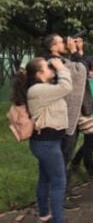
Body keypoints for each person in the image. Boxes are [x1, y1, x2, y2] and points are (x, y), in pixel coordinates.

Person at [12, 56, 72, 223]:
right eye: (48, 67)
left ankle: (44, 214)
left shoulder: (43, 87)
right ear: (39, 73)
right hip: (47, 143)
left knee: (45, 178)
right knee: (59, 182)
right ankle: (58, 220)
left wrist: (61, 66)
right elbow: (66, 87)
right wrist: (60, 67)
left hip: (46, 142)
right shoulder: (38, 89)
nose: (51, 68)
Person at [43, 33, 88, 211]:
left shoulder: (61, 61)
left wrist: (78, 51)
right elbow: (79, 72)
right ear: (53, 47)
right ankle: (57, 199)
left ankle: (64, 190)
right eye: (61, 42)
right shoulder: (53, 62)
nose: (65, 44)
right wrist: (75, 51)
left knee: (65, 158)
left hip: (66, 117)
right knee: (61, 159)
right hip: (61, 120)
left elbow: (78, 67)